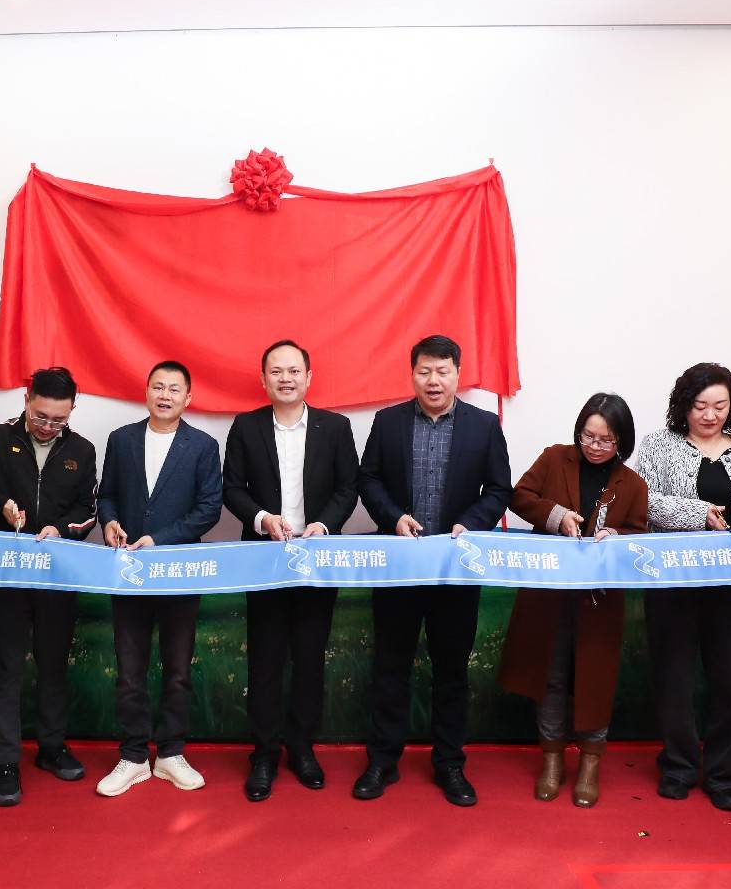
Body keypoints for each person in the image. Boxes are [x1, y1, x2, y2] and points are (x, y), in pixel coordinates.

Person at [354, 335, 513, 806]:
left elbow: (498, 489)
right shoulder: (388, 422)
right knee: (390, 667)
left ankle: (450, 764)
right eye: (424, 371)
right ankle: (382, 761)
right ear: (412, 375)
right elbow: (369, 479)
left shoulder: (484, 426)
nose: (433, 380)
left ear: (457, 374)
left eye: (442, 371)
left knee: (452, 671)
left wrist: (472, 523)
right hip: (401, 567)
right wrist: (393, 518)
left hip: (454, 570)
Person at [0, 366, 100, 807]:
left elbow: (88, 510)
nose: (48, 426)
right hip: (7, 573)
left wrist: (61, 530)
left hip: (55, 576)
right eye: (41, 416)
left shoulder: (82, 449)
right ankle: (6, 761)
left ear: (72, 410)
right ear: (27, 401)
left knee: (54, 665)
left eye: (59, 419)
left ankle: (51, 747)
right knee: (5, 667)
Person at [221, 340, 359, 801]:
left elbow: (348, 488)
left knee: (309, 656)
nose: (286, 378)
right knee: (264, 658)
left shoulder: (335, 427)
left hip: (316, 561)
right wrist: (262, 519)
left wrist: (325, 524)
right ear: (263, 379)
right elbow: (232, 489)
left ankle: (301, 748)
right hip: (265, 560)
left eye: (294, 371)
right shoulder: (246, 426)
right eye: (276, 371)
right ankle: (263, 754)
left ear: (308, 377)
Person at [632, 361, 731, 812]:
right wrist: (699, 514)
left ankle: (723, 773)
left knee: (728, 677)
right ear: (683, 405)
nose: (710, 415)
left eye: (720, 405)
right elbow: (644, 501)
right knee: (673, 675)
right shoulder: (656, 445)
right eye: (699, 406)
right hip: (673, 579)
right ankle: (677, 766)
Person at [498, 392, 647, 808]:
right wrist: (557, 516)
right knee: (551, 674)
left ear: (622, 441)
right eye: (588, 436)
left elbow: (639, 534)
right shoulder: (554, 458)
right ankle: (551, 759)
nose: (595, 446)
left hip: (599, 601)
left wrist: (616, 537)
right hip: (549, 594)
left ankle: (590, 762)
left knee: (594, 679)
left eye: (606, 440)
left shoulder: (633, 484)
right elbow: (519, 496)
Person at [96, 360, 223, 797]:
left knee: (178, 670)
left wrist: (160, 540)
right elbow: (107, 495)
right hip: (129, 572)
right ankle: (133, 757)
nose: (165, 395)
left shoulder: (203, 446)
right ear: (146, 391)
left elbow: (209, 509)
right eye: (158, 387)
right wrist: (110, 522)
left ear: (188, 398)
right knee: (129, 671)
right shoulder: (122, 440)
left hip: (178, 573)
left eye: (174, 389)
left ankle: (170, 754)